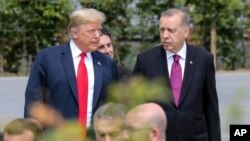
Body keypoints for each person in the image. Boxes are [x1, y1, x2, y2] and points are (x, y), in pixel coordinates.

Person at [133, 8, 221, 141]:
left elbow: (211, 107)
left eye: (171, 30)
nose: (165, 36)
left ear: (186, 31)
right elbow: (136, 105)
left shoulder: (204, 59)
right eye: (162, 30)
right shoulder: (146, 61)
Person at [24, 8, 117, 130]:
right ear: (74, 33)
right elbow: (33, 101)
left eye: (99, 30)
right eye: (92, 31)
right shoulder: (47, 58)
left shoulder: (107, 63)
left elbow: (111, 104)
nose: (97, 36)